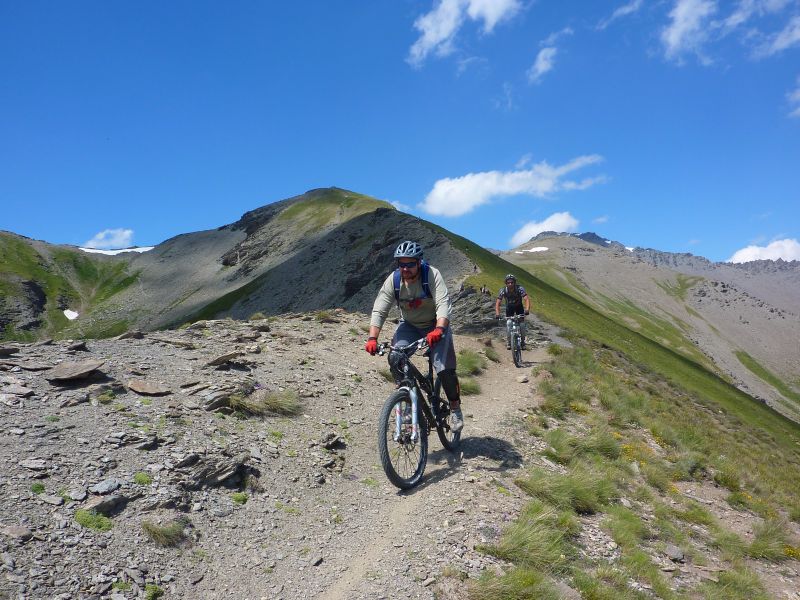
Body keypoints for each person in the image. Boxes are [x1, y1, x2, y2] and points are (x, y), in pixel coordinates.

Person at [365, 241, 463, 432]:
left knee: (444, 369)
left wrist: (439, 328)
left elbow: (443, 303)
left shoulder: (431, 275)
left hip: (436, 326)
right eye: (401, 264)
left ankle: (455, 407)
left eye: (410, 264)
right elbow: (379, 310)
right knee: (395, 358)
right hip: (409, 325)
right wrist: (372, 338)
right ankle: (409, 404)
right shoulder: (393, 281)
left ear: (419, 263)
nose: (405, 268)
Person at [495, 274, 531, 350]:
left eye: (512, 282)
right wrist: (497, 314)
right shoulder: (503, 290)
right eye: (508, 282)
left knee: (522, 324)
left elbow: (526, 299)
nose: (510, 284)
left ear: (514, 282)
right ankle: (509, 342)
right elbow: (498, 303)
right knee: (509, 323)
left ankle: (523, 342)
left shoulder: (520, 288)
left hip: (519, 307)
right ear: (506, 283)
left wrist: (527, 309)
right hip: (509, 308)